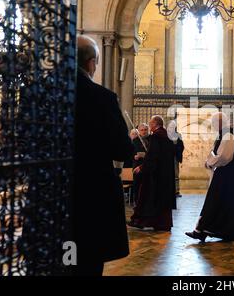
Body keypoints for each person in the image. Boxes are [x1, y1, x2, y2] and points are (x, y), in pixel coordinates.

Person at [73, 35, 133, 276]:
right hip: (91, 194)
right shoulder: (102, 97)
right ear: (91, 62)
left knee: (59, 259)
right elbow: (121, 150)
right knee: (87, 262)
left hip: (52, 193)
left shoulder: (46, 93)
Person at [185, 112, 234, 242]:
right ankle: (203, 230)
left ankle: (203, 230)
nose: (213, 126)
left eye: (214, 123)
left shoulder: (228, 135)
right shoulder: (226, 134)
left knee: (214, 202)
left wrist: (209, 162)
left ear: (219, 122)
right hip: (227, 176)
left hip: (227, 176)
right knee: (219, 204)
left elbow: (224, 156)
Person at [128, 115, 176, 231]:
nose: (149, 126)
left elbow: (152, 156)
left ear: (155, 124)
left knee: (149, 198)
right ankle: (163, 224)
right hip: (166, 174)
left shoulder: (155, 136)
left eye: (150, 124)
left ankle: (142, 221)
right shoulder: (168, 136)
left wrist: (142, 167)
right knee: (162, 200)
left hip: (155, 175)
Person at [131, 123, 149, 203]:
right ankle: (137, 202)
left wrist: (145, 155)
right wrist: (134, 156)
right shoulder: (135, 140)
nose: (144, 132)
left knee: (147, 186)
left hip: (148, 166)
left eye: (145, 130)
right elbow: (130, 153)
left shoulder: (151, 139)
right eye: (142, 130)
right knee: (137, 186)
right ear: (138, 131)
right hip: (137, 166)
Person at [167, 121, 185, 198]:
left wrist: (177, 150)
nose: (172, 128)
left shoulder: (178, 135)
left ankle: (176, 191)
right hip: (167, 157)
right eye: (170, 127)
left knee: (176, 175)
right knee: (167, 174)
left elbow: (182, 146)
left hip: (175, 158)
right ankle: (168, 191)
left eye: (173, 127)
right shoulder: (165, 135)